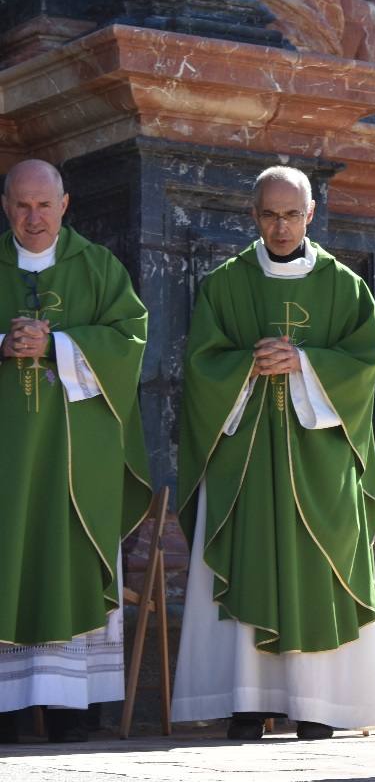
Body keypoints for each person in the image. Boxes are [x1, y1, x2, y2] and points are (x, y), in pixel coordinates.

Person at [172, 166, 375, 740]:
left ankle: (318, 705)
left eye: (292, 214)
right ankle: (247, 700)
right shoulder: (225, 284)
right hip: (244, 458)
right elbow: (199, 368)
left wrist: (306, 362)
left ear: (311, 214)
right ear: (254, 216)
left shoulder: (344, 286)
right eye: (270, 214)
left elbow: (365, 366)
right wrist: (247, 363)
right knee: (247, 555)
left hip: (320, 461)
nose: (281, 225)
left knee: (318, 564)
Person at [0, 159, 152, 743]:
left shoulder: (98, 267)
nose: (33, 218)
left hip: (76, 460)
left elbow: (130, 341)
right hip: (9, 462)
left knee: (71, 552)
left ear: (65, 205)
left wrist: (59, 342)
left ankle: (73, 708)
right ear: (6, 206)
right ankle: (7, 708)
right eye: (21, 205)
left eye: (44, 205)